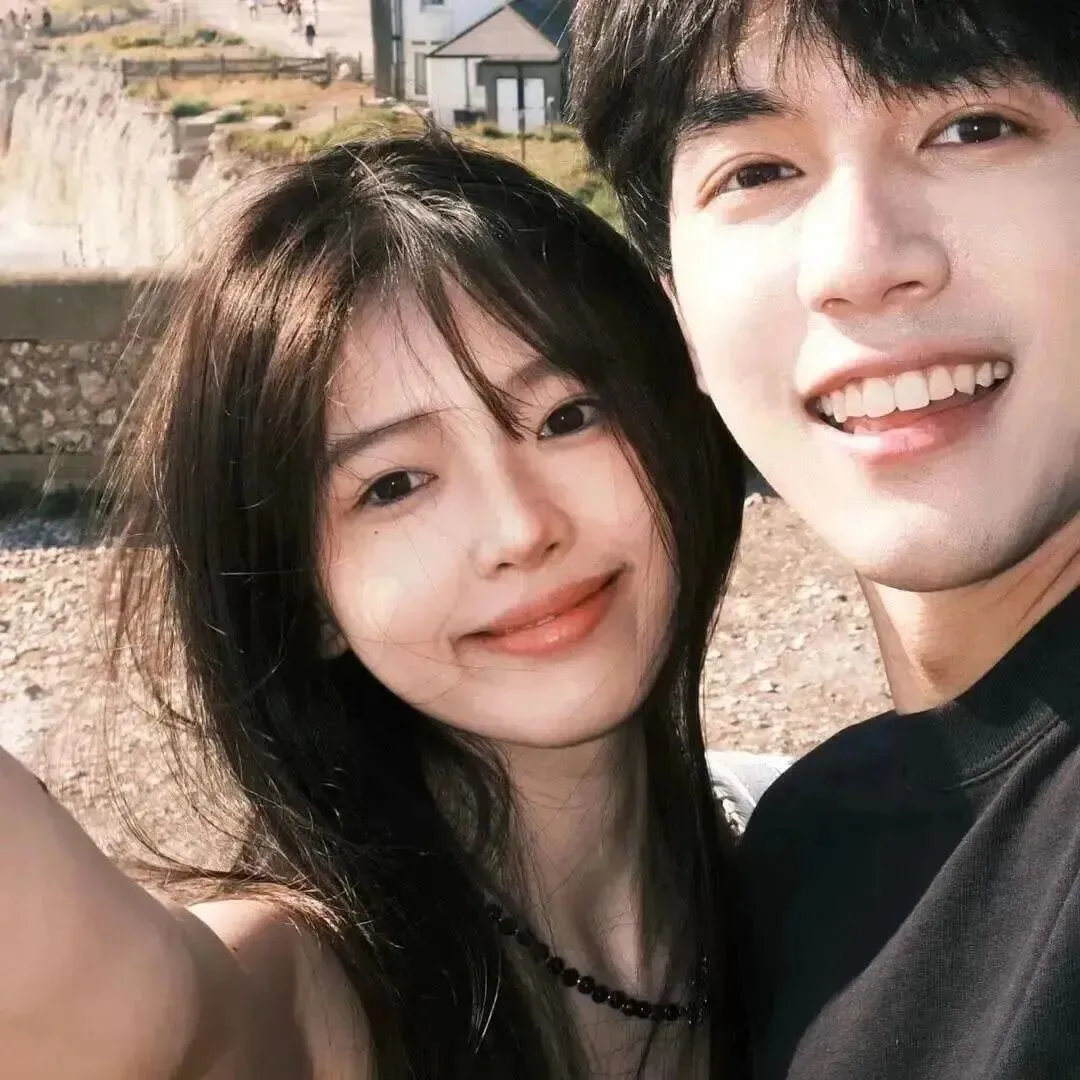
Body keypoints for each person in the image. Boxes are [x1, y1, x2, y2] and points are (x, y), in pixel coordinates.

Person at [0, 131, 754, 1079]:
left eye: (566, 417)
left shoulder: (821, 855)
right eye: (395, 484)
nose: (520, 528)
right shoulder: (307, 997)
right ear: (305, 597)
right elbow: (118, 1009)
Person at [569, 0, 1080, 1077]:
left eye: (974, 127)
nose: (859, 261)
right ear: (676, 311)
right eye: (756, 172)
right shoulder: (807, 843)